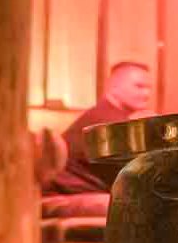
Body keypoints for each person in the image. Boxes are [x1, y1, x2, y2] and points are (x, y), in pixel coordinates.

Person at [48, 61, 155, 195]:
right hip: (66, 194)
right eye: (139, 86)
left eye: (149, 88)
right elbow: (132, 176)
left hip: (76, 191)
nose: (146, 94)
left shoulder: (107, 114)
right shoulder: (108, 121)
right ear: (114, 86)